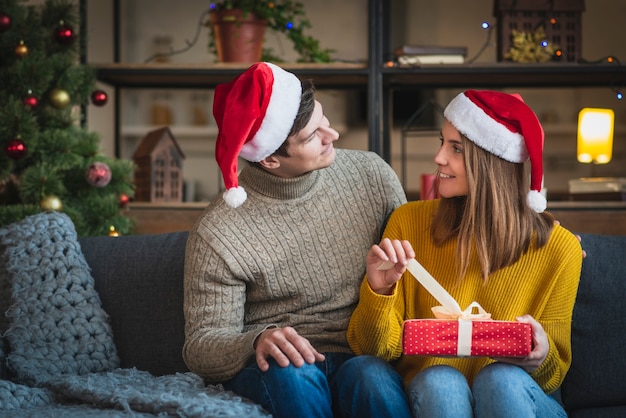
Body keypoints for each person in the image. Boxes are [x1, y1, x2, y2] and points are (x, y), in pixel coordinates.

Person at [182, 62, 412, 418]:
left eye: (323, 119)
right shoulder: (220, 232)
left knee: (371, 378)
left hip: (363, 350)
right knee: (291, 375)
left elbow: (413, 275)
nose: (331, 135)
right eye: (311, 137)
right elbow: (201, 345)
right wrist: (256, 340)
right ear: (271, 159)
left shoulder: (372, 176)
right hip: (282, 366)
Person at [347, 89, 583, 417]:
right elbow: (373, 349)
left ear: (492, 163)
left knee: (500, 379)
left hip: (519, 398)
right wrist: (380, 290)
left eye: (456, 148)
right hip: (431, 395)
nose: (439, 158)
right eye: (441, 143)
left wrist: (540, 355)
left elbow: (553, 376)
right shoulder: (408, 222)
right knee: (441, 380)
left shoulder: (560, 249)